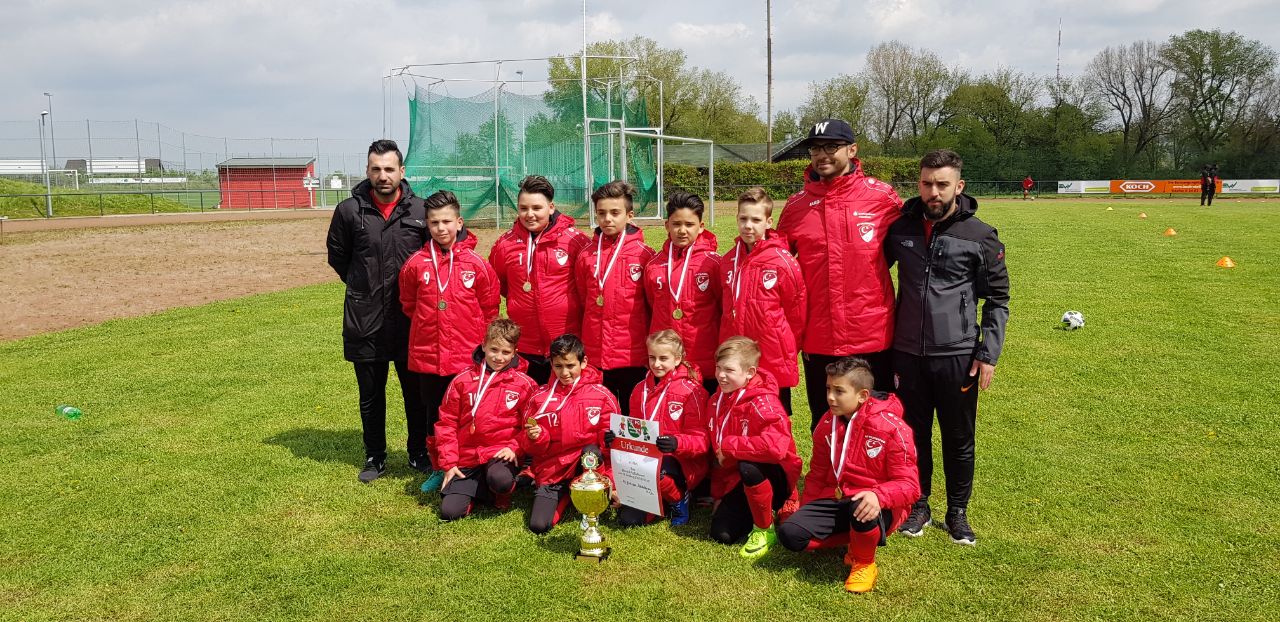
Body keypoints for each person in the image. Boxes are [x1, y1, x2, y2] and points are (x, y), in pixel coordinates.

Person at [884, 149, 1010, 546]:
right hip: (906, 353)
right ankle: (918, 503)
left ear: (959, 186)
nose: (933, 192)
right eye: (926, 183)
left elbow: (998, 299)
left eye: (942, 184)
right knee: (913, 434)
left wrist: (988, 352)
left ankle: (957, 511)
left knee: (958, 437)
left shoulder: (980, 235)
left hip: (958, 355)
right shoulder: (899, 228)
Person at [776, 119, 903, 430]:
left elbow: (909, 248)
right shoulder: (796, 206)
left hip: (872, 336)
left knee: (877, 426)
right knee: (825, 425)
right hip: (820, 338)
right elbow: (776, 265)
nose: (822, 155)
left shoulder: (882, 198)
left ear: (852, 150)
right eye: (815, 148)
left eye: (832, 147)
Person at [326, 139, 430, 483]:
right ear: (367, 171)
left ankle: (418, 453)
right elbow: (338, 257)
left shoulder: (421, 211)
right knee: (370, 395)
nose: (383, 175)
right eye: (376, 169)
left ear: (402, 171)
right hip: (364, 319)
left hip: (410, 321)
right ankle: (375, 456)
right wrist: (363, 286)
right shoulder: (348, 211)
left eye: (389, 169)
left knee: (415, 394)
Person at [776, 357, 919, 593]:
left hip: (879, 505)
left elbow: (910, 486)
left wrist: (878, 496)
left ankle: (864, 562)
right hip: (841, 500)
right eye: (828, 389)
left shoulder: (893, 428)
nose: (830, 397)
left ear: (862, 395)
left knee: (860, 506)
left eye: (839, 391)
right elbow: (818, 474)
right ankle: (857, 539)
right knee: (791, 534)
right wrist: (807, 512)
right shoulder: (826, 424)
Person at [399, 190, 500, 492]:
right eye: (434, 223)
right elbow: (409, 304)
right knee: (434, 414)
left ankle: (469, 465)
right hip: (429, 356)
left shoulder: (477, 264)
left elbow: (490, 308)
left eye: (446, 221)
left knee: (468, 413)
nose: (441, 228)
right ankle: (438, 466)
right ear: (427, 225)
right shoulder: (415, 264)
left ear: (459, 222)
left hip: (466, 357)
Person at [703, 337, 803, 559]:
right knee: (721, 534)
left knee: (749, 465)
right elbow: (718, 457)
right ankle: (759, 507)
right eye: (718, 368)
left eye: (729, 370)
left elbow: (775, 448)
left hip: (775, 474)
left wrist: (730, 445)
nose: (721, 375)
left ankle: (765, 528)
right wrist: (719, 494)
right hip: (738, 479)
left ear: (750, 372)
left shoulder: (765, 402)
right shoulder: (716, 401)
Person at [489, 175, 590, 385]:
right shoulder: (504, 245)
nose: (530, 214)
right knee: (528, 401)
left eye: (537, 208)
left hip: (566, 345)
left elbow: (586, 287)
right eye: (523, 208)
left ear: (551, 207)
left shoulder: (575, 241)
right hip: (525, 345)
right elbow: (501, 286)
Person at [435, 319, 537, 520]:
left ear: (515, 352)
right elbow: (446, 423)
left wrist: (515, 447)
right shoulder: (462, 380)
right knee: (450, 512)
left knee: (500, 480)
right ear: (483, 346)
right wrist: (449, 463)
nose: (499, 357)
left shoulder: (525, 384)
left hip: (501, 453)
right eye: (494, 350)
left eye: (506, 352)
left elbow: (531, 426)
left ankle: (499, 488)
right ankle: (482, 489)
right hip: (467, 455)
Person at [519, 334, 620, 534]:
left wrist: (612, 483)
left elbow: (612, 447)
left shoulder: (602, 396)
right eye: (558, 366)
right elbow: (529, 446)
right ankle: (566, 493)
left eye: (570, 365)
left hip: (587, 466)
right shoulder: (539, 398)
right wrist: (536, 437)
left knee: (591, 452)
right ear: (551, 365)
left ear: (584, 362)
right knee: (539, 526)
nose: (564, 372)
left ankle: (593, 495)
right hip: (553, 470)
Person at [718, 187, 806, 418]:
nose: (748, 226)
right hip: (736, 357)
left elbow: (796, 314)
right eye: (743, 219)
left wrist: (783, 345)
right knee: (737, 416)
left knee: (772, 418)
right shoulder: (727, 261)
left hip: (772, 356)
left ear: (768, 222)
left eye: (756, 220)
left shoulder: (784, 262)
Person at [574, 180, 657, 414]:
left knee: (632, 415)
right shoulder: (586, 256)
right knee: (601, 415)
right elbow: (583, 298)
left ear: (629, 216)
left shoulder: (645, 255)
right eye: (601, 213)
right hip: (596, 354)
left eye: (615, 213)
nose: (607, 219)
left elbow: (651, 304)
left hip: (633, 355)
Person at [615, 330, 709, 526]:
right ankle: (659, 499)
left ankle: (678, 499)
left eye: (663, 358)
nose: (656, 364)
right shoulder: (639, 389)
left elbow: (702, 441)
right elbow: (634, 429)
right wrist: (616, 437)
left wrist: (677, 443)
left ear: (677, 359)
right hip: (645, 459)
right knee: (629, 520)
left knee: (658, 470)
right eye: (652, 357)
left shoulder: (692, 391)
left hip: (680, 461)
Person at [643, 192, 722, 394]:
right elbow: (652, 304)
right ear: (667, 225)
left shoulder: (713, 263)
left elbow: (722, 307)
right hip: (667, 361)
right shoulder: (654, 265)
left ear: (701, 226)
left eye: (689, 224)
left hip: (704, 358)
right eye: (676, 224)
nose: (682, 230)